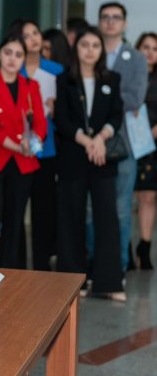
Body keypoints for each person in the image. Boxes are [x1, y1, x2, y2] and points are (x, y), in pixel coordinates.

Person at [55, 28, 125, 301]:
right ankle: (72, 283)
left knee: (107, 217)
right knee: (70, 217)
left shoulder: (112, 78)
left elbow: (116, 116)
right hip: (74, 155)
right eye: (85, 44)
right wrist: (88, 142)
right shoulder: (65, 79)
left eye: (96, 45)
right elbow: (61, 119)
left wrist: (100, 139)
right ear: (77, 48)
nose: (90, 50)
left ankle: (109, 283)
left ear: (101, 50)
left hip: (102, 155)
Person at [0, 34, 47, 269]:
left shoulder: (31, 85)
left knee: (15, 222)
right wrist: (17, 146)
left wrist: (34, 142)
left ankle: (9, 275)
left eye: (18, 55)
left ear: (24, 59)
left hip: (23, 162)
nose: (12, 59)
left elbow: (41, 122)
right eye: (8, 53)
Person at [97, 1, 148, 271]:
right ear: (99, 22)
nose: (110, 22)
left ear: (125, 23)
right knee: (91, 209)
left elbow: (135, 98)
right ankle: (93, 264)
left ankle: (118, 267)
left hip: (123, 142)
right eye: (105, 17)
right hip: (90, 141)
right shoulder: (90, 52)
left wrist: (100, 102)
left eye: (116, 17)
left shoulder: (136, 58)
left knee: (121, 208)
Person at [15, 19, 64, 271]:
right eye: (26, 35)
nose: (33, 38)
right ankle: (17, 266)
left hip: (48, 148)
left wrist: (57, 109)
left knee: (43, 211)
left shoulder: (57, 70)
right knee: (16, 209)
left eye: (35, 33)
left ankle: (42, 265)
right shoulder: (13, 69)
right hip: (17, 149)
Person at [134, 32, 157, 269]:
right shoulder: (127, 75)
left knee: (148, 197)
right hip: (127, 143)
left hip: (153, 145)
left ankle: (145, 245)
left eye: (155, 48)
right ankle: (125, 250)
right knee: (124, 200)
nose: (150, 52)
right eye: (145, 47)